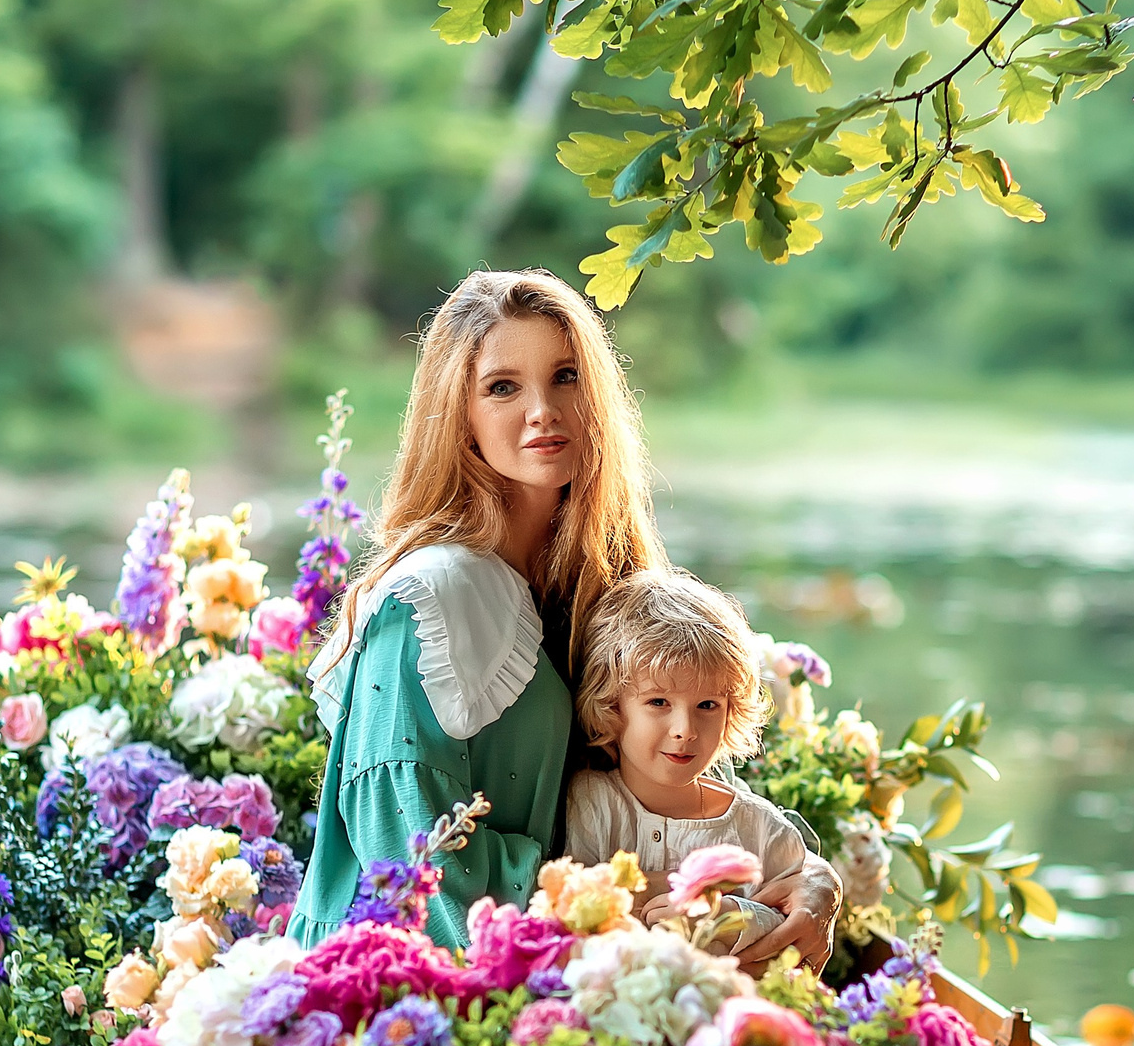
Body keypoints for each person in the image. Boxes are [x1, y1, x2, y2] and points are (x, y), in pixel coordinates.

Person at [290, 269, 838, 967]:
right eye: (502, 386)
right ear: (458, 415)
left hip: (582, 958)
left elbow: (664, 779)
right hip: (407, 988)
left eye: (566, 377)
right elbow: (408, 856)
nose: (543, 409)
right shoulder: (430, 601)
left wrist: (806, 879)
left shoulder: (602, 582)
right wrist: (615, 898)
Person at [563, 571, 806, 953]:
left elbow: (799, 934)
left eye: (707, 705)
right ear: (612, 705)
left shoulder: (762, 831)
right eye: (658, 702)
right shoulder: (592, 804)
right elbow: (571, 917)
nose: (685, 730)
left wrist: (730, 915)